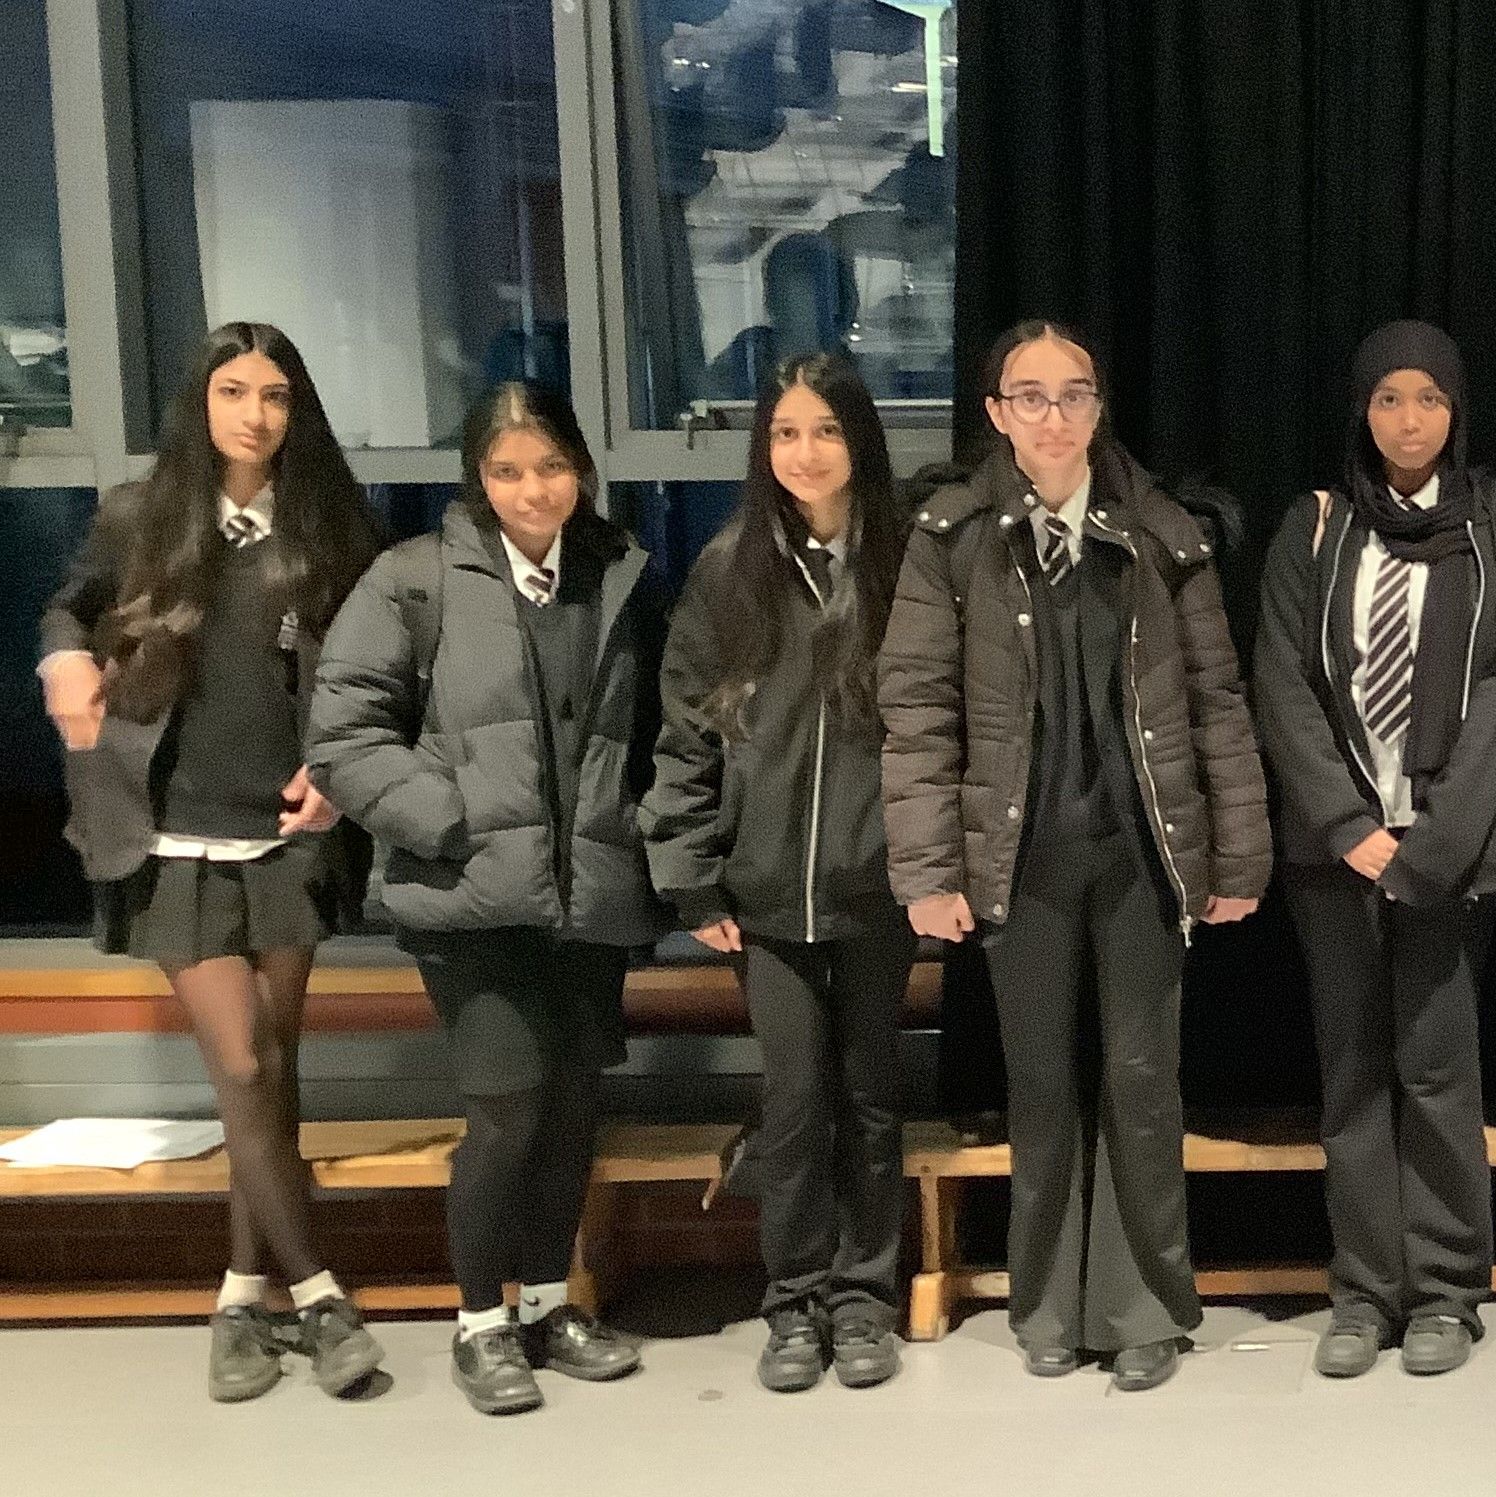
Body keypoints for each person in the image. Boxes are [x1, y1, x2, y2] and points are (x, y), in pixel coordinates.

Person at [878, 320, 1268, 1392]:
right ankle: (1047, 1302)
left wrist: (1238, 857)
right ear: (996, 413)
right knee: (1041, 1084)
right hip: (1019, 859)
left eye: (1074, 394)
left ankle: (1144, 1308)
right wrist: (929, 872)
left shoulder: (1162, 533)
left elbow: (1217, 698)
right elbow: (916, 710)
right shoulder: (951, 537)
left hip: (1141, 854)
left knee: (1142, 1081)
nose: (1053, 417)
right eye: (1030, 396)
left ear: (1099, 408)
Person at [38, 322, 388, 1402]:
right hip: (171, 833)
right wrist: (64, 663)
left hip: (287, 834)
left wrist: (339, 769)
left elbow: (376, 667)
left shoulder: (329, 525)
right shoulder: (141, 516)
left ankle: (241, 1297)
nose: (254, 414)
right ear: (200, 401)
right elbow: (69, 609)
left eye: (274, 395)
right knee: (240, 1066)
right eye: (233, 391)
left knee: (274, 1070)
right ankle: (319, 1291)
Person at [307, 381, 666, 1416]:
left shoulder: (619, 573)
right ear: (477, 477)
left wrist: (637, 836)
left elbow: (653, 730)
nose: (532, 490)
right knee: (506, 1110)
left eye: (550, 467)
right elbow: (343, 736)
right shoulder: (412, 579)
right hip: (468, 900)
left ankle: (549, 1307)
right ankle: (480, 1322)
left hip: (587, 896)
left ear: (580, 469)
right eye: (507, 471)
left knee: (570, 1111)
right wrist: (449, 818)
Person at [1252, 318, 1496, 1379]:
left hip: (1452, 855)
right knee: (1354, 1075)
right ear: (1362, 413)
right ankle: (1366, 1292)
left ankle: (1448, 1293)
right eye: (1388, 400)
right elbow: (1282, 680)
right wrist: (1349, 828)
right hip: (1338, 857)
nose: (1409, 421)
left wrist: (1429, 845)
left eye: (1429, 399)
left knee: (1440, 1073)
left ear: (1455, 412)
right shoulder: (1317, 527)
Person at [642, 353, 916, 1393]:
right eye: (787, 433)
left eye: (827, 431)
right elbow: (686, 734)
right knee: (796, 1103)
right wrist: (693, 877)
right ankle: (795, 1301)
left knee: (871, 1099)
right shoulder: (730, 571)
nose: (806, 453)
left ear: (860, 442)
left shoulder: (906, 563)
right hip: (763, 898)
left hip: (878, 884)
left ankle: (865, 1299)